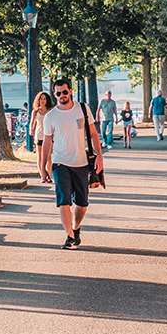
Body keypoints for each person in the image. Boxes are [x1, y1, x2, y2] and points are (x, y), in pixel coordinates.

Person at [41, 78, 105, 250]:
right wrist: (42, 167)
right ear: (54, 95)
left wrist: (99, 156)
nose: (62, 95)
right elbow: (47, 143)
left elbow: (93, 134)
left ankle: (76, 228)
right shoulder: (51, 117)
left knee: (82, 203)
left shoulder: (82, 109)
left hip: (82, 163)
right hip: (60, 163)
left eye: (64, 92)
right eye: (58, 93)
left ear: (70, 91)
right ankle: (69, 237)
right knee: (64, 201)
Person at [30, 92, 55, 183]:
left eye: (44, 99)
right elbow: (32, 122)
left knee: (48, 156)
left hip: (49, 135)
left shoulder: (50, 110)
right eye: (41, 99)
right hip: (39, 135)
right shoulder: (36, 111)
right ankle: (42, 175)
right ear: (38, 100)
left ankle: (48, 174)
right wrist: (31, 130)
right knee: (40, 156)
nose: (43, 101)